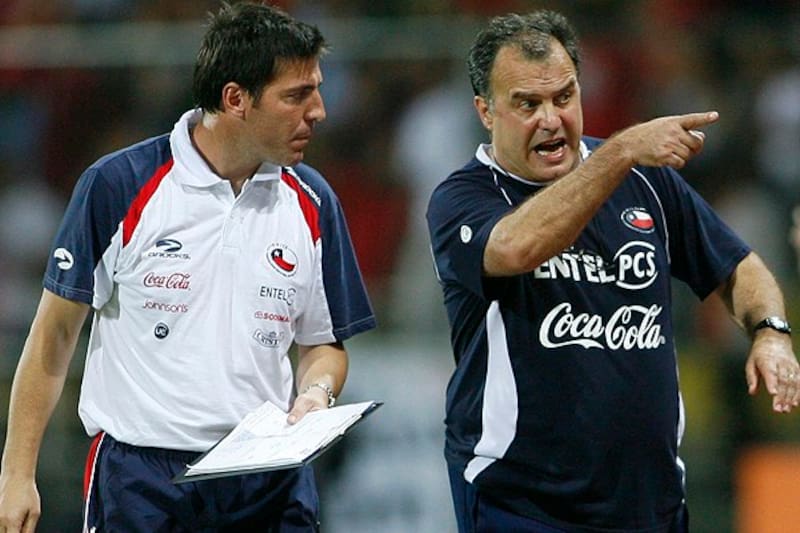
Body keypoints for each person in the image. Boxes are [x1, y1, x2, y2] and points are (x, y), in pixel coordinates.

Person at [0, 3, 376, 532]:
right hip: (141, 481)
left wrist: (317, 393)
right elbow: (53, 337)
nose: (319, 111)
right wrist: (17, 474)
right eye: (297, 95)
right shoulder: (119, 185)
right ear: (235, 99)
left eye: (316, 90)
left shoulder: (314, 202)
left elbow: (323, 346)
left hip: (267, 481)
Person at [426, 10, 800, 533]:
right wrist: (622, 150)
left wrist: (771, 332)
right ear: (486, 112)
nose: (551, 119)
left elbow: (737, 264)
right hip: (523, 506)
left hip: (651, 504)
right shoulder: (462, 198)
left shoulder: (644, 182)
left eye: (564, 97)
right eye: (528, 104)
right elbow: (517, 247)